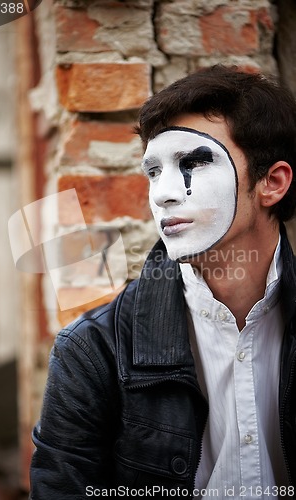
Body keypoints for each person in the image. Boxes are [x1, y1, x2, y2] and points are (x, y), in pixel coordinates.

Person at [30, 65, 296, 499]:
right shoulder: (93, 352)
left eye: (194, 162)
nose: (163, 193)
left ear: (273, 182)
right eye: (153, 171)